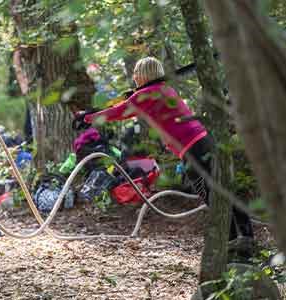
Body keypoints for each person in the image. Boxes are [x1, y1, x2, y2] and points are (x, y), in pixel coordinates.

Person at [82, 57, 254, 256]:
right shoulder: (163, 90)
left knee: (212, 195)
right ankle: (241, 237)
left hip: (193, 149)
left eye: (136, 74)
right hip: (203, 142)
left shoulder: (146, 94)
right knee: (220, 191)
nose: (134, 77)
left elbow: (119, 112)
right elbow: (129, 104)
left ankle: (236, 240)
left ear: (143, 75)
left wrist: (87, 118)